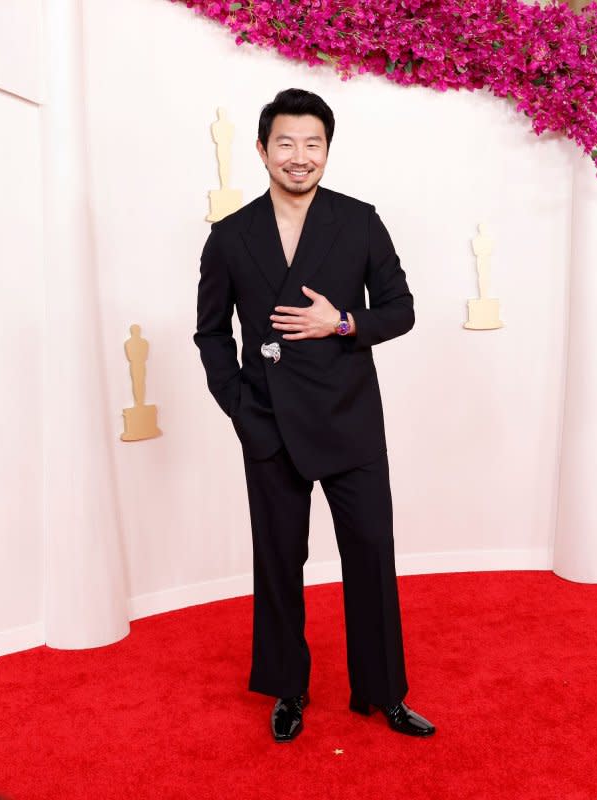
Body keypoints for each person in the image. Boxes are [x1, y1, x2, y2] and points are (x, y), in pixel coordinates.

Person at [194, 88, 436, 743]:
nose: (299, 157)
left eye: (313, 144)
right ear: (262, 150)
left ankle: (383, 693)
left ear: (327, 149)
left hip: (350, 420)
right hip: (269, 424)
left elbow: (401, 307)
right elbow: (211, 333)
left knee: (371, 557)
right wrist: (242, 410)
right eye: (286, 143)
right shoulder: (230, 236)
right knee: (278, 563)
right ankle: (287, 689)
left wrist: (345, 321)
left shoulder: (358, 222)